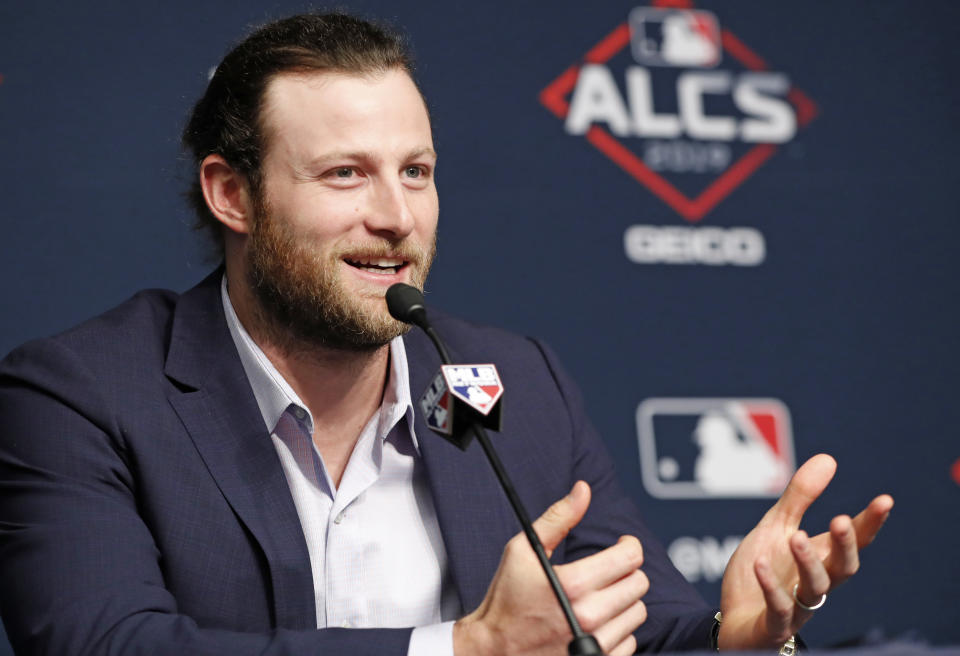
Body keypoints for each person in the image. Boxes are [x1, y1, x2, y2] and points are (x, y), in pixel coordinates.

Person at [0, 12, 892, 656]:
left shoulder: (507, 377)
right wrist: (466, 651)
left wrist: (730, 636)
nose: (396, 216)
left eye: (416, 171)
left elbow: (634, 624)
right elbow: (106, 641)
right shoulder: (80, 394)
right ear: (232, 194)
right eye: (346, 173)